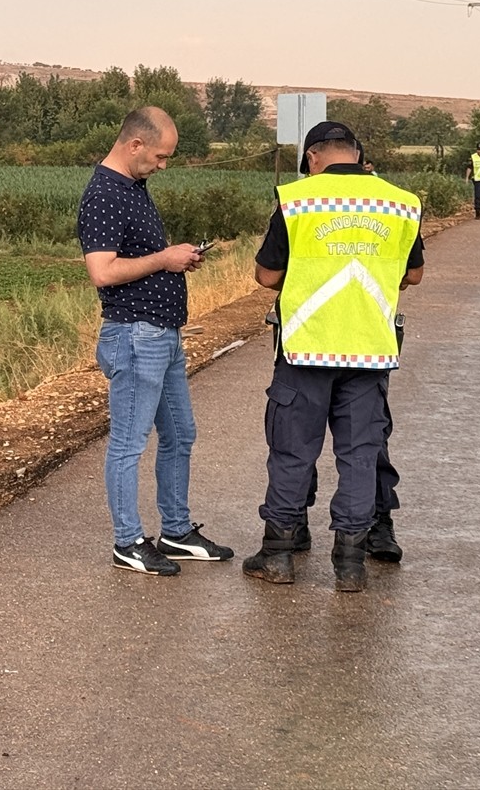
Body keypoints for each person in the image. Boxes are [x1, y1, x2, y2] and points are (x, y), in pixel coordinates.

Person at [243, 121, 424, 592]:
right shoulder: (401, 203)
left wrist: (309, 278)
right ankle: (350, 565)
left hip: (306, 348)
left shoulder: (296, 200)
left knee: (292, 453)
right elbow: (414, 275)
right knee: (360, 457)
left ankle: (278, 556)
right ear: (359, 155)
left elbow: (266, 276)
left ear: (312, 158)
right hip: (369, 352)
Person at [76, 106, 233, 577]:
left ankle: (176, 532)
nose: (163, 166)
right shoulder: (104, 195)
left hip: (161, 334)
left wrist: (175, 259)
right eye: (161, 156)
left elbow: (142, 256)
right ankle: (128, 541)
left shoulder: (133, 189)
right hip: (134, 335)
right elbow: (102, 272)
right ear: (135, 144)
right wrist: (164, 258)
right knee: (128, 443)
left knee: (181, 434)